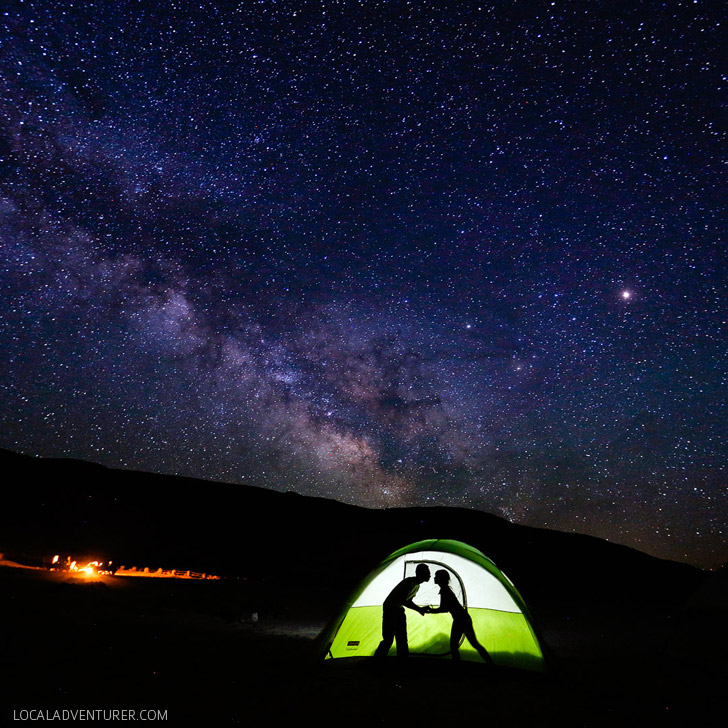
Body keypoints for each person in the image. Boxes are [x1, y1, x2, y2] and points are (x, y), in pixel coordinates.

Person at [426, 569, 493, 664]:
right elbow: (445, 608)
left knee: (453, 645)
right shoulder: (445, 589)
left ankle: (457, 668)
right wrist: (431, 610)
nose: (434, 578)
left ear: (441, 578)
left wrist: (430, 611)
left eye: (436, 576)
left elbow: (444, 608)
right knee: (474, 643)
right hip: (464, 618)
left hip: (460, 620)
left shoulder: (445, 590)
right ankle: (490, 663)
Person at [373, 563, 430, 659]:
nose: (430, 575)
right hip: (391, 611)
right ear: (421, 573)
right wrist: (419, 609)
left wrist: (419, 609)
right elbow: (403, 600)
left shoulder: (416, 585)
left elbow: (408, 600)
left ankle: (395, 660)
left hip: (397, 610)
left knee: (399, 639)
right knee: (391, 639)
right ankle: (378, 660)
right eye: (428, 572)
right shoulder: (410, 583)